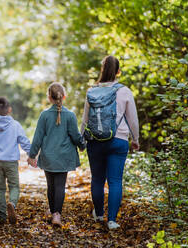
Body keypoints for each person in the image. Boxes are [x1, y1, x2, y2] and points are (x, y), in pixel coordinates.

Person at [81, 55, 139, 230]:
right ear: (118, 71)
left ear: (102, 70)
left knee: (97, 179)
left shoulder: (91, 91)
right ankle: (112, 220)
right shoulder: (125, 91)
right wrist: (135, 139)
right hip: (118, 140)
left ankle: (99, 214)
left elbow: (85, 120)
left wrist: (82, 138)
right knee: (115, 181)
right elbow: (133, 119)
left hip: (95, 141)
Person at [28, 83, 86, 227]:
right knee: (60, 185)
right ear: (64, 97)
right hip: (64, 157)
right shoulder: (70, 115)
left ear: (49, 98)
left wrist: (32, 155)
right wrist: (82, 145)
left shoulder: (44, 115)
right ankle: (56, 215)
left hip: (48, 156)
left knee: (51, 185)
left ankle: (53, 211)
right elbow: (75, 135)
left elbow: (38, 137)